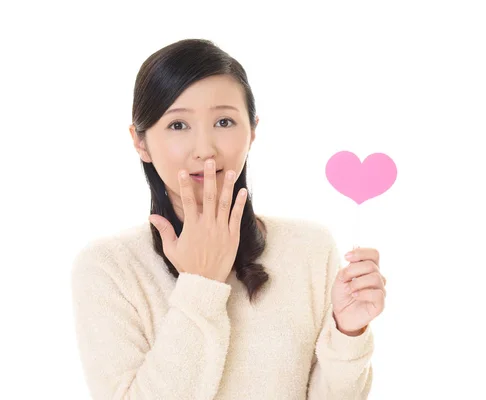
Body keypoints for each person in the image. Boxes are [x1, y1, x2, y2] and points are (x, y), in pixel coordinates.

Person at [70, 38, 387, 400]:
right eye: (178, 125)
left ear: (252, 130)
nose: (204, 149)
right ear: (140, 142)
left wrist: (347, 333)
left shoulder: (309, 248)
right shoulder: (109, 268)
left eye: (224, 121)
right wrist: (201, 285)